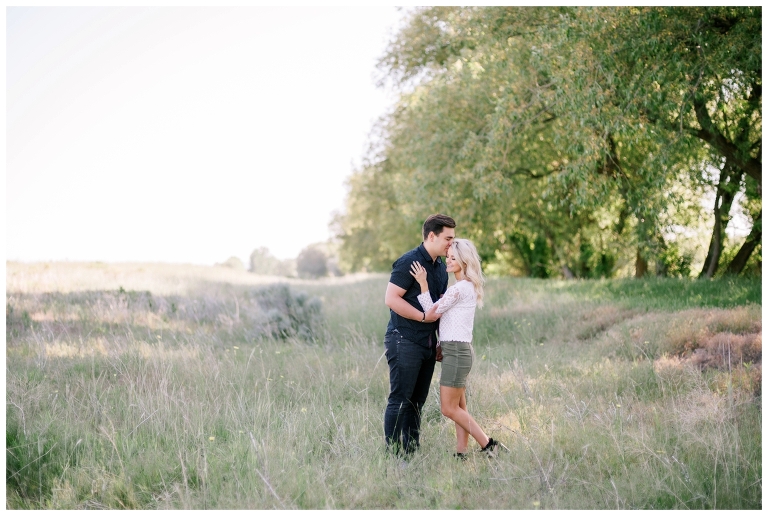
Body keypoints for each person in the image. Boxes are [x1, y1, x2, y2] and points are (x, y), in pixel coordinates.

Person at [410, 238, 504, 459]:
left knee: (448, 408)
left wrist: (423, 284)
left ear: (464, 261)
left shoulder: (458, 289)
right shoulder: (466, 287)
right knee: (459, 407)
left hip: (457, 354)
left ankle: (490, 445)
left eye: (453, 258)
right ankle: (461, 453)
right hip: (459, 352)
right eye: (448, 258)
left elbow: (431, 313)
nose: (448, 262)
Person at [383, 214, 456, 455]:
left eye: (453, 239)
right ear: (431, 236)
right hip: (404, 339)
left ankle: (411, 453)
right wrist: (423, 318)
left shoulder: (441, 269)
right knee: (400, 399)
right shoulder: (409, 262)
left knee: (417, 403)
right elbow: (391, 299)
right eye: (448, 238)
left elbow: (437, 307)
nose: (451, 244)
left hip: (427, 343)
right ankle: (393, 456)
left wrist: (439, 341)